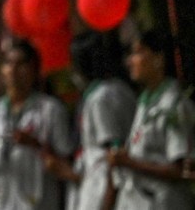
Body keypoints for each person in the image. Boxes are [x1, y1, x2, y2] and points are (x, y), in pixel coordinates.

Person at [0, 40, 74, 210]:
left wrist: (34, 144)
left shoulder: (50, 110)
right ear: (2, 70)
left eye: (21, 64)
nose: (13, 70)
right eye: (8, 63)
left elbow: (65, 163)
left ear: (34, 70)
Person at [43, 34, 134, 210]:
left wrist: (106, 203)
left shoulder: (100, 99)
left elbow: (113, 156)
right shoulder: (120, 89)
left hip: (103, 193)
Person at [107, 29, 193, 210]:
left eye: (138, 53)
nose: (130, 61)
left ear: (158, 59)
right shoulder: (145, 101)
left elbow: (180, 169)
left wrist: (129, 162)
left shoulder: (174, 105)